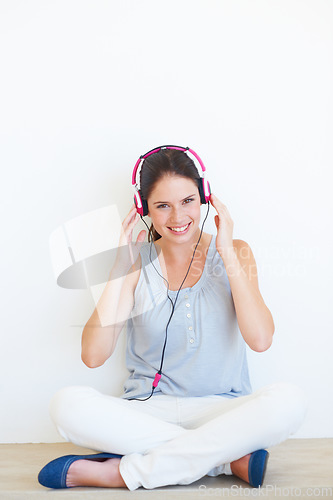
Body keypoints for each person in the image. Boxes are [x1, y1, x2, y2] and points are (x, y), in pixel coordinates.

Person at [38, 146, 307, 491]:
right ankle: (222, 460)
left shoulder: (236, 251)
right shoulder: (135, 263)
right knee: (66, 405)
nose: (177, 217)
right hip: (149, 412)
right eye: (162, 205)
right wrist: (121, 266)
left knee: (290, 401)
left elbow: (260, 339)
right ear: (144, 208)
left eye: (187, 201)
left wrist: (225, 253)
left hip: (223, 412)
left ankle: (122, 473)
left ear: (204, 198)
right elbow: (93, 356)